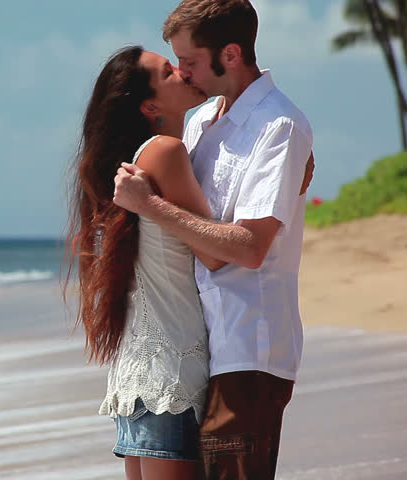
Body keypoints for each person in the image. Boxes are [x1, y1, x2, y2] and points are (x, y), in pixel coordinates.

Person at [112, 1, 314, 478]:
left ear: (230, 54)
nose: (183, 74)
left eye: (189, 62)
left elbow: (249, 247)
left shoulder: (278, 126)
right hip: (201, 346)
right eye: (175, 63)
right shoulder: (200, 123)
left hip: (249, 344)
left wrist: (151, 206)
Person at [65, 44, 223, 480]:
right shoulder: (165, 152)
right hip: (170, 378)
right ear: (150, 105)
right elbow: (214, 252)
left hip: (140, 377)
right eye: (169, 71)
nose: (184, 71)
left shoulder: (144, 160)